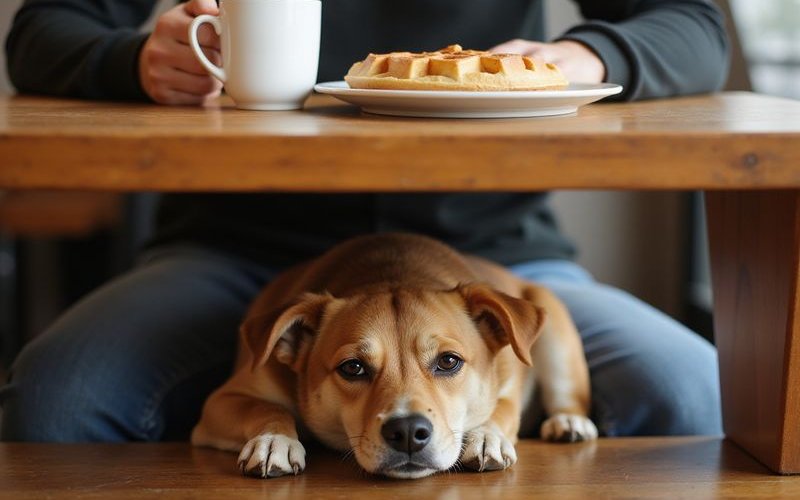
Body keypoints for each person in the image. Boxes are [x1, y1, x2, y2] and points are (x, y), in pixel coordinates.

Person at [1, 0, 729, 442]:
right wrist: (135, 59)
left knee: (694, 390)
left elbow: (697, 28)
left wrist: (577, 58)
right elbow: (41, 32)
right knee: (57, 401)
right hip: (238, 248)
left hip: (484, 255)